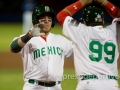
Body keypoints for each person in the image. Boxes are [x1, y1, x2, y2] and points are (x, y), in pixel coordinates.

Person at [57, 0, 120, 90]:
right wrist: (104, 2)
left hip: (89, 84)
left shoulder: (81, 30)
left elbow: (61, 16)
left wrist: (83, 1)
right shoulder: (114, 31)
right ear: (102, 21)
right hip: (112, 85)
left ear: (85, 22)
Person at [10, 4, 73, 90]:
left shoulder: (61, 40)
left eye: (49, 19)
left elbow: (80, 54)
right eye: (43, 19)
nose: (47, 21)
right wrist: (29, 35)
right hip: (33, 86)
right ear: (36, 21)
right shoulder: (27, 39)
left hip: (56, 87)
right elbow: (13, 48)